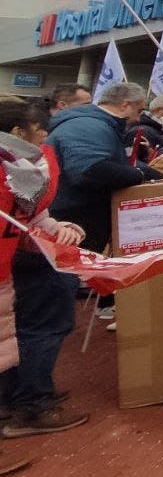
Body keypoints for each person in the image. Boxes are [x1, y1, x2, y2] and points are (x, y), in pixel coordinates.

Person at [0, 101, 88, 444]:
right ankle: (28, 407)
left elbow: (31, 218)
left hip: (6, 272)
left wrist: (58, 230)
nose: (45, 137)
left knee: (9, 340)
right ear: (17, 133)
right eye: (39, 130)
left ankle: (14, 406)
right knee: (34, 330)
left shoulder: (27, 168)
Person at [45, 82, 160, 257]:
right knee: (69, 269)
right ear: (125, 104)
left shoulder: (98, 124)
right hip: (74, 217)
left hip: (77, 214)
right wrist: (138, 174)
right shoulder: (89, 126)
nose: (138, 119)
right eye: (139, 111)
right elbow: (90, 171)